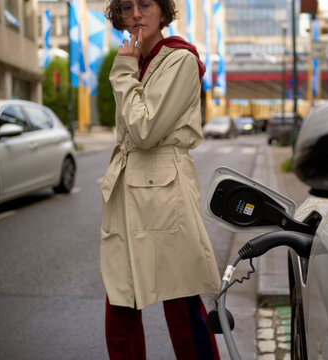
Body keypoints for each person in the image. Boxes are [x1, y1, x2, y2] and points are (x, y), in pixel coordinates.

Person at [100, 0, 221, 358]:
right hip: (127, 189)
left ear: (163, 12)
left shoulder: (179, 60)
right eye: (125, 7)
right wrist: (128, 70)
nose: (135, 13)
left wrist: (123, 74)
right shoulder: (134, 63)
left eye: (145, 4)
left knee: (181, 302)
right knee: (120, 302)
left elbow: (144, 129)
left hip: (164, 190)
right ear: (118, 17)